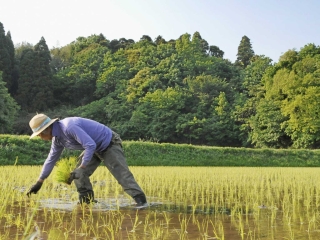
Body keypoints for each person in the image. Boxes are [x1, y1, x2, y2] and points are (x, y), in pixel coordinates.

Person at [26, 113, 148, 208]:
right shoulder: (57, 139)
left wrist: (82, 167)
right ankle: (87, 202)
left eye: (39, 135)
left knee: (122, 175)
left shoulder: (69, 126)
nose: (40, 138)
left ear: (46, 129)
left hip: (108, 143)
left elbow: (90, 145)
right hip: (95, 147)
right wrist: (39, 182)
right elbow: (51, 159)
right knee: (79, 175)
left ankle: (142, 204)